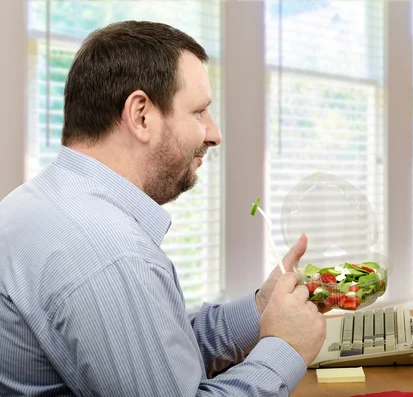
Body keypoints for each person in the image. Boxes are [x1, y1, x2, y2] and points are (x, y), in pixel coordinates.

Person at [0, 21, 326, 396]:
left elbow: (157, 355)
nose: (214, 133)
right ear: (140, 115)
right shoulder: (111, 253)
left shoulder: (42, 203)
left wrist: (261, 309)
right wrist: (284, 349)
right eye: (199, 112)